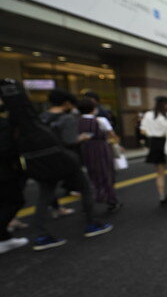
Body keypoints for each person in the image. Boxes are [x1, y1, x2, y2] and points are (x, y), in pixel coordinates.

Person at [34, 89, 113, 249]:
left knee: (44, 196)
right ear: (66, 103)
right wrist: (82, 137)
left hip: (44, 162)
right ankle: (91, 224)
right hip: (66, 160)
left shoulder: (41, 117)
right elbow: (70, 140)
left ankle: (41, 235)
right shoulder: (67, 118)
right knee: (86, 189)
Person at [77, 98, 121, 212]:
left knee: (93, 173)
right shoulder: (100, 120)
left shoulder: (77, 121)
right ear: (93, 108)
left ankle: (97, 195)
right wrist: (117, 144)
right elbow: (112, 135)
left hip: (85, 149)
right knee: (107, 173)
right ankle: (111, 199)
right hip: (102, 148)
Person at [0, 96, 28, 254]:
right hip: (5, 172)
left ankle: (5, 238)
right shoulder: (4, 125)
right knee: (14, 201)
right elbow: (6, 149)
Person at [141, 96, 167, 204]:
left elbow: (142, 131)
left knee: (159, 174)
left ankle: (161, 197)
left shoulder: (148, 115)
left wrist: (152, 132)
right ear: (165, 104)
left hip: (154, 144)